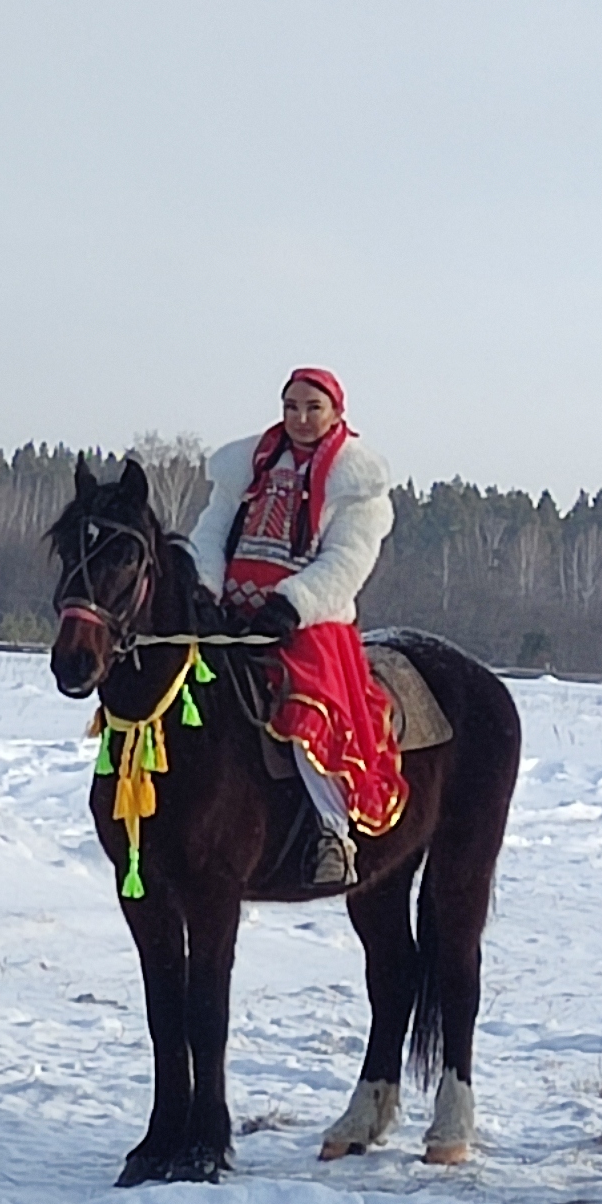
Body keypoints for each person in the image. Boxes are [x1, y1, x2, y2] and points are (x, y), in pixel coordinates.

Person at [186, 367, 399, 891]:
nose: (301, 418)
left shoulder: (357, 482)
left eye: (312, 408)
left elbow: (348, 559)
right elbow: (211, 532)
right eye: (291, 407)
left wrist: (292, 605)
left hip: (307, 624)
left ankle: (332, 833)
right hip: (230, 614)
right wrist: (205, 589)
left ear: (335, 412)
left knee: (309, 711)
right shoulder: (247, 466)